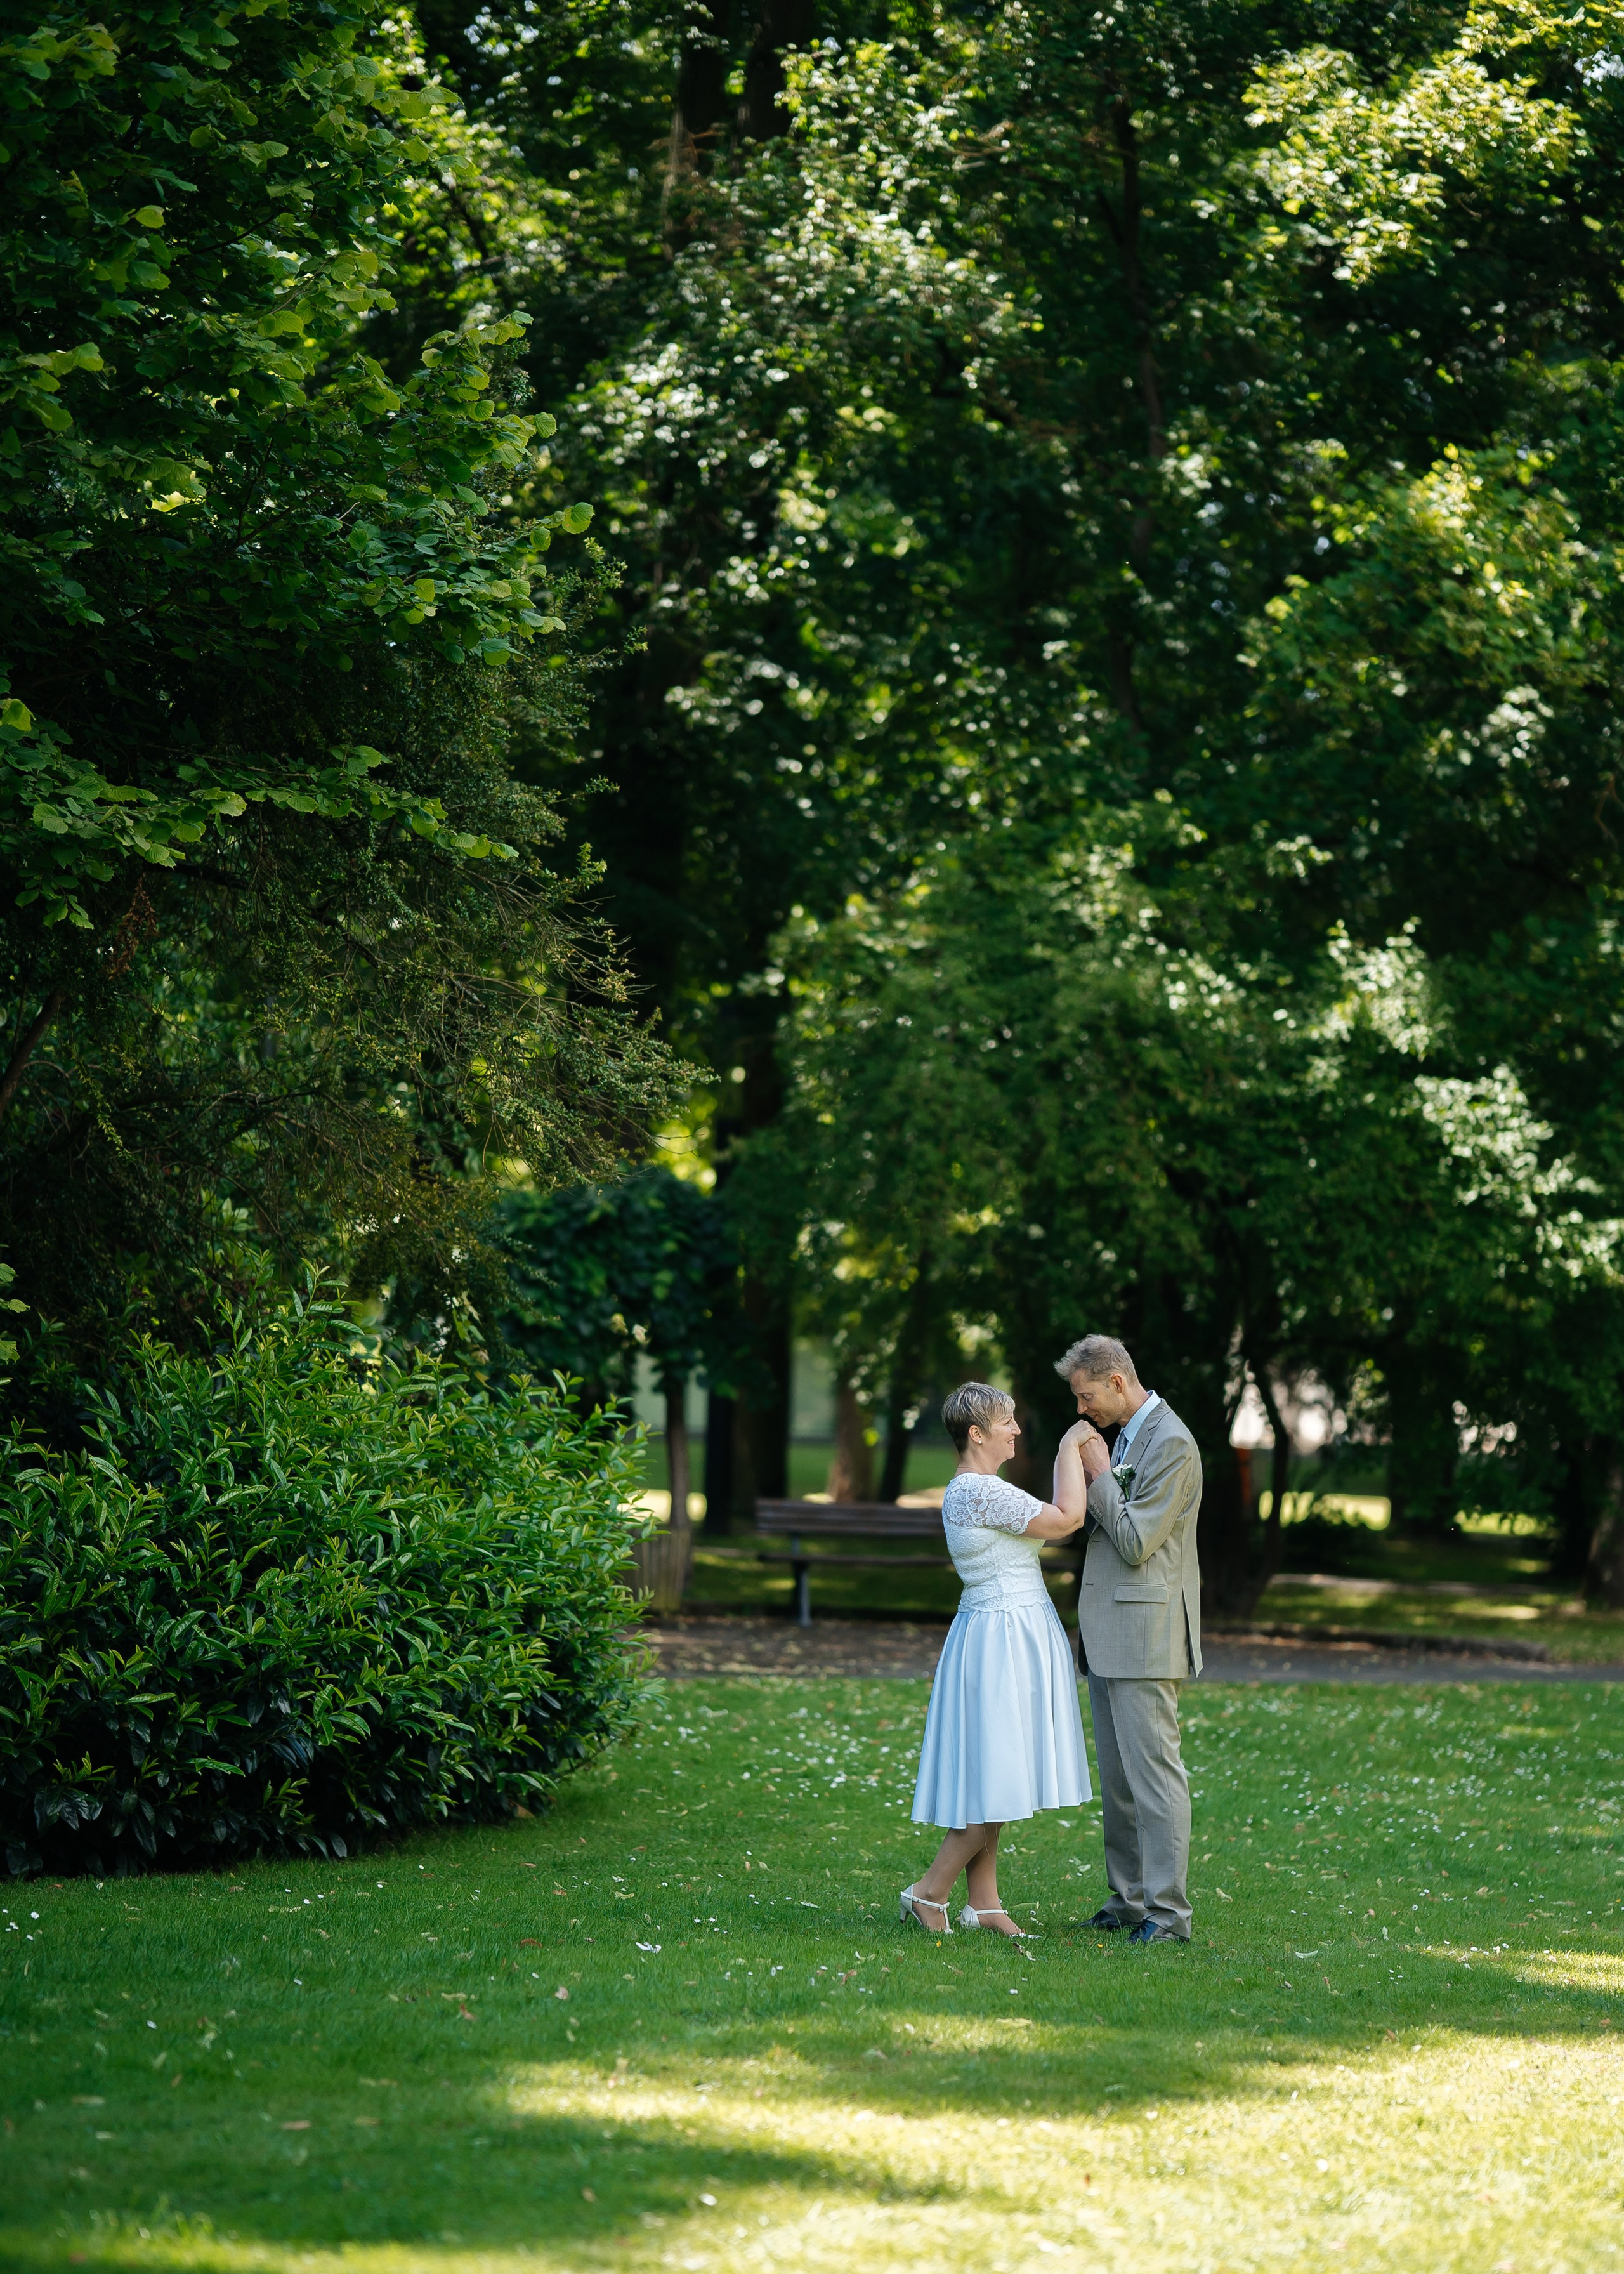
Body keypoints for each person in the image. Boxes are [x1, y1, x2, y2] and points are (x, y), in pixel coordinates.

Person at [902, 1381, 1099, 1940]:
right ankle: (928, 1893)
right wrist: (1069, 1448)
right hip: (999, 1639)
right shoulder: (977, 1492)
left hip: (1008, 1631)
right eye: (1007, 1422)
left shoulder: (985, 1490)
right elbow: (1066, 1521)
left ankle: (984, 1902)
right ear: (976, 1433)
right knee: (999, 1776)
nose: (1016, 1431)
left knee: (998, 1772)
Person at [1054, 1332, 1203, 1946]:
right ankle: (1127, 1901)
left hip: (1147, 1630)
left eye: (1087, 1396)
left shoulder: (1172, 1442)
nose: (1082, 1409)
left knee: (1154, 1777)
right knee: (1118, 1781)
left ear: (1118, 1382)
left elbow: (1137, 1541)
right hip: (1110, 1629)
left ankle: (1167, 1918)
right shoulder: (1128, 1435)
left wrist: (1095, 1473)